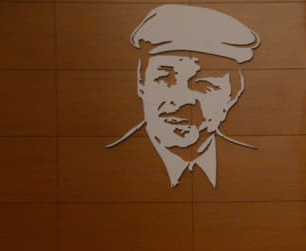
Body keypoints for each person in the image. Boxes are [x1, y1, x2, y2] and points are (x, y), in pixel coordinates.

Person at [108, 4, 261, 187]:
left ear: (233, 95)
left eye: (204, 85)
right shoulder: (106, 166)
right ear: (141, 83)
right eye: (165, 78)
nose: (181, 100)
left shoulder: (257, 168)